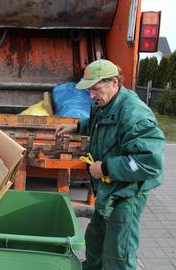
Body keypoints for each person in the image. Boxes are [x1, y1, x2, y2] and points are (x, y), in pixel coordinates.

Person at [56, 59, 165, 270]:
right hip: (109, 192)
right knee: (95, 244)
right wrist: (76, 126)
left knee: (118, 256)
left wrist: (105, 168)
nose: (91, 95)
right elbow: (100, 123)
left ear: (114, 82)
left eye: (96, 89)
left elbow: (150, 162)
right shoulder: (105, 103)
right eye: (89, 90)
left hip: (126, 195)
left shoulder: (135, 115)